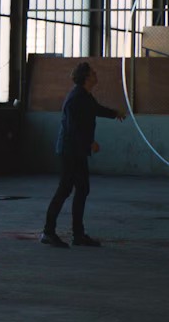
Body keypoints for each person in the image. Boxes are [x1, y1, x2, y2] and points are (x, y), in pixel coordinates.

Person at [41, 61, 126, 249]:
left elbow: (96, 110)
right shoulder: (76, 98)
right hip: (70, 151)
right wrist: (89, 142)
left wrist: (115, 114)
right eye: (93, 73)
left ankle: (78, 235)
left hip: (77, 151)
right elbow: (73, 128)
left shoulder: (85, 96)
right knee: (65, 190)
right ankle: (48, 232)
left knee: (82, 189)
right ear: (87, 77)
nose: (96, 75)